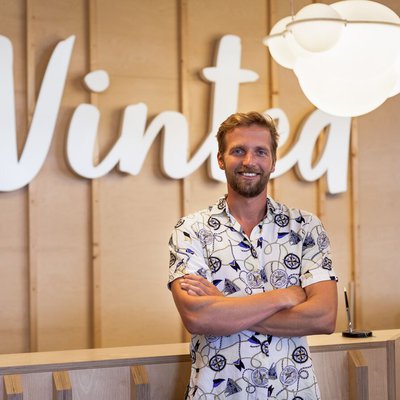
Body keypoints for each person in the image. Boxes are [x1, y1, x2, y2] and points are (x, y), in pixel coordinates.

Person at [168, 111, 338, 399]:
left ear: (273, 161)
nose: (249, 161)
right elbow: (197, 317)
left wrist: (224, 308)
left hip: (293, 392)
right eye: (238, 151)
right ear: (220, 159)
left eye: (260, 151)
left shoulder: (305, 227)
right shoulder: (190, 230)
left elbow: (324, 317)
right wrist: (285, 297)